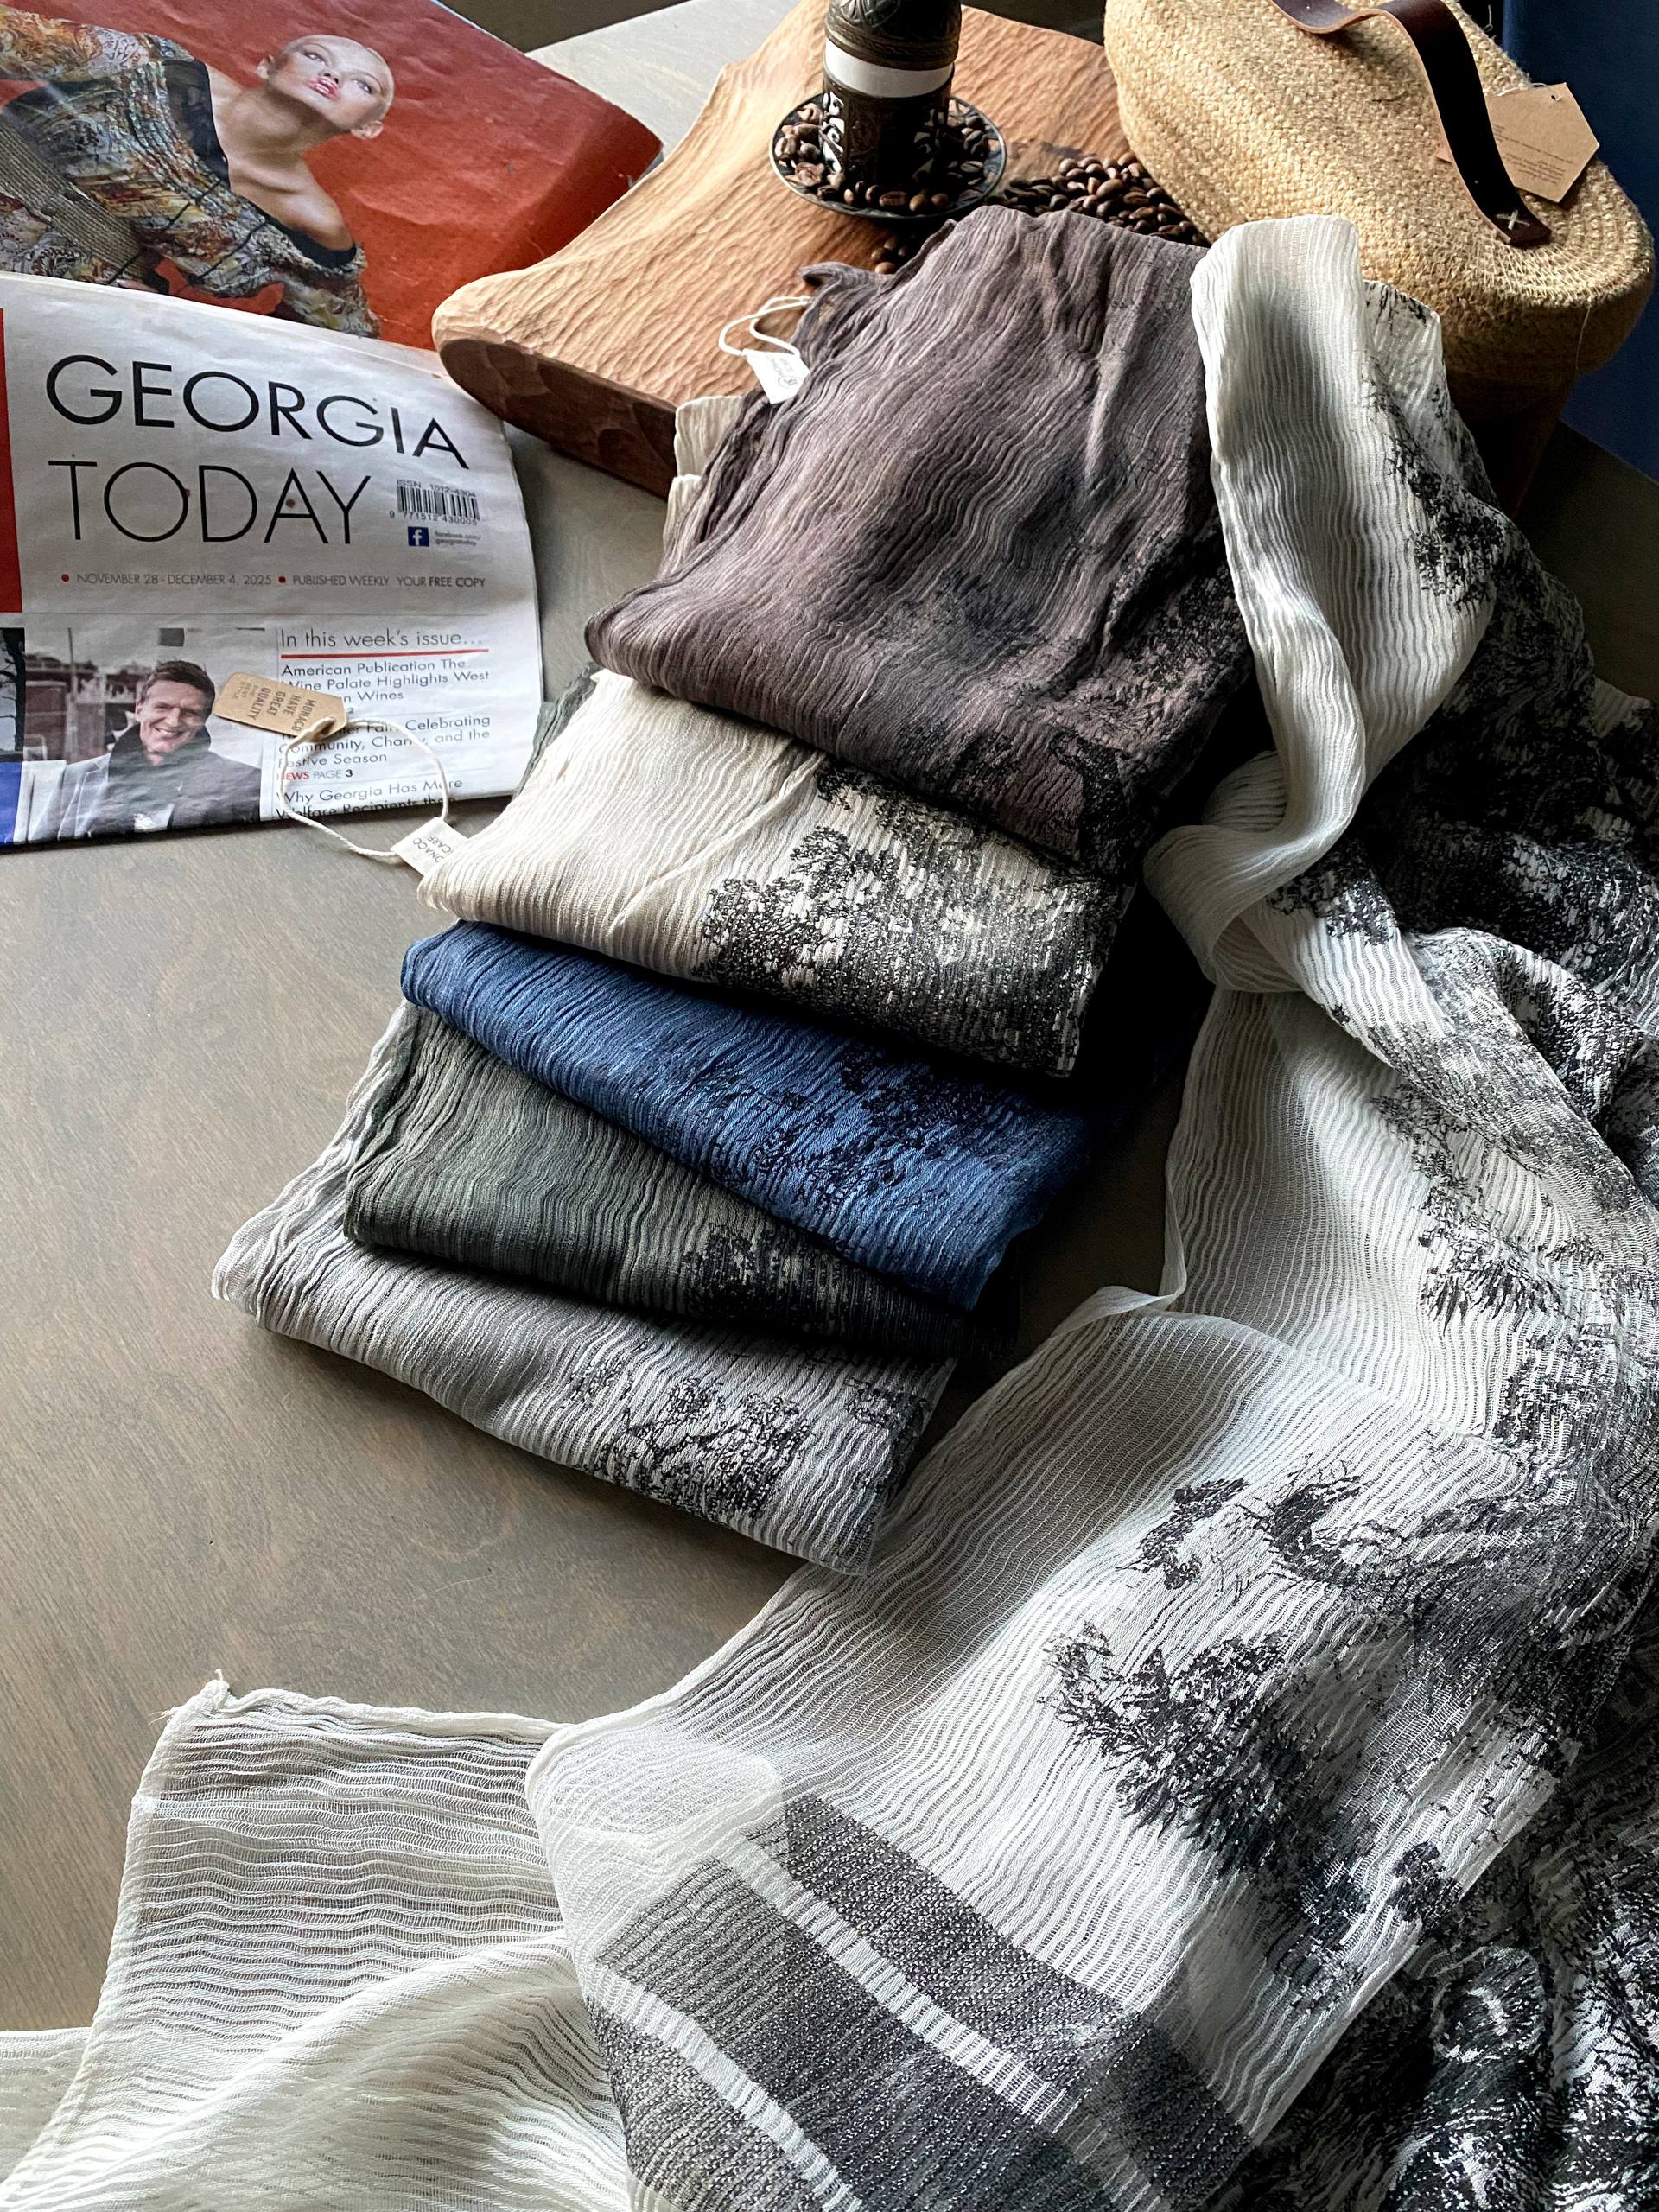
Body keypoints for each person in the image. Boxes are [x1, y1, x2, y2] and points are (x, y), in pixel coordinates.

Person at [0, 13, 392, 335]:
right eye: (316, 56)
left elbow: (342, 340)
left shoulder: (313, 220)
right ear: (267, 65)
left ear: (368, 128)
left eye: (364, 85)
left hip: (56, 314)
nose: (333, 76)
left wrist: (185, 330)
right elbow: (12, 37)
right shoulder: (154, 68)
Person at [36, 660, 261, 838]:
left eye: (189, 713)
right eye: (162, 707)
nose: (173, 721)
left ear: (203, 720)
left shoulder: (245, 783)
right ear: (139, 709)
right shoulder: (75, 778)